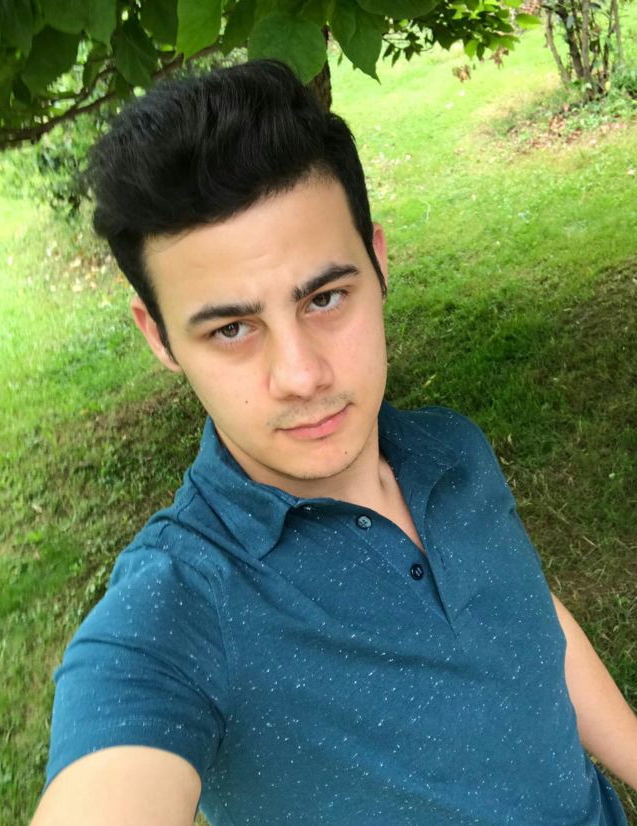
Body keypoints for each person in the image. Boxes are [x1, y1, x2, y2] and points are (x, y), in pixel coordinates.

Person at [32, 60, 636, 826]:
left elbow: (528, 625)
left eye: (324, 298)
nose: (301, 375)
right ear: (159, 337)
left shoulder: (453, 451)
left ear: (378, 262)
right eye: (231, 328)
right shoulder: (178, 608)